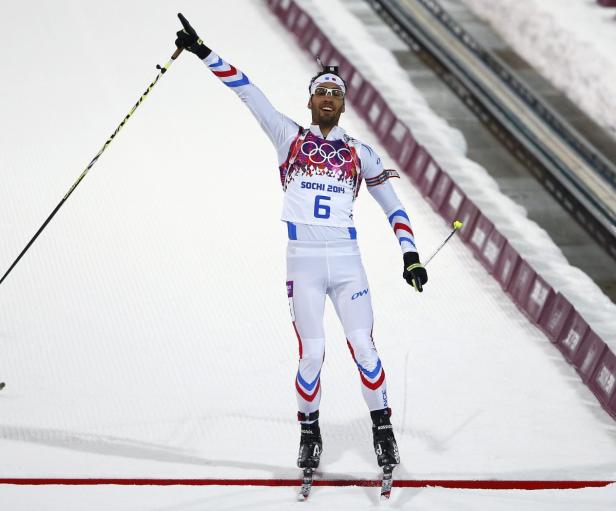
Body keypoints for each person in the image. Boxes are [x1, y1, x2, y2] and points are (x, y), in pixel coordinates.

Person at [174, 13, 427, 471]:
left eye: (336, 94)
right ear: (310, 100)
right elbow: (247, 90)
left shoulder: (360, 152)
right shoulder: (288, 135)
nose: (329, 98)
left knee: (364, 347)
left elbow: (394, 207)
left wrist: (411, 256)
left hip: (347, 261)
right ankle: (309, 432)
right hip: (304, 263)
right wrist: (203, 51)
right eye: (322, 92)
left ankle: (382, 429)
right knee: (313, 352)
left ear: (343, 105)